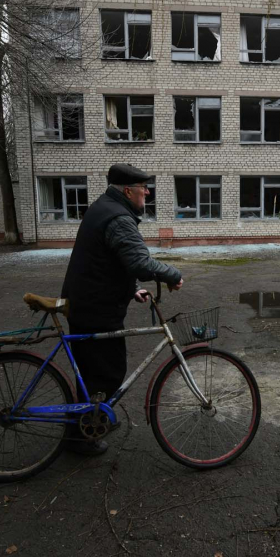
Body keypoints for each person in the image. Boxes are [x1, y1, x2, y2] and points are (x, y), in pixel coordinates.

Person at [61, 163, 183, 455]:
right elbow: (140, 262)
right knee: (108, 372)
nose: (147, 193)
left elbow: (106, 260)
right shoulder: (118, 217)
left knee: (91, 373)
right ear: (128, 191)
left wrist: (131, 288)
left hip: (86, 303)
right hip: (95, 309)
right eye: (143, 189)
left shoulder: (104, 208)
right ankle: (81, 434)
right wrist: (172, 274)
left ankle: (82, 427)